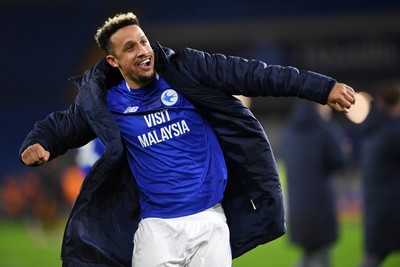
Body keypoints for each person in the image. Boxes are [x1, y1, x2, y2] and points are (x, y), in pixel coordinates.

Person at [19, 12, 356, 267]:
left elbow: (255, 74)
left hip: (210, 222)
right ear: (113, 61)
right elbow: (63, 125)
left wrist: (321, 87)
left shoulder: (187, 71)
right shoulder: (105, 102)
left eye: (144, 41)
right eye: (129, 47)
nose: (142, 50)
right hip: (156, 229)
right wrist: (41, 142)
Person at [280, 101, 350, 267]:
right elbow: (338, 161)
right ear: (318, 107)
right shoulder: (325, 129)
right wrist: (345, 149)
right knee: (321, 254)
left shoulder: (288, 132)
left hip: (297, 205)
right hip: (320, 204)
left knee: (310, 253)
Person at [358, 81, 400, 267]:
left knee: (372, 258)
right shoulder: (392, 132)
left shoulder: (373, 130)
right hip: (393, 209)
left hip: (378, 209)